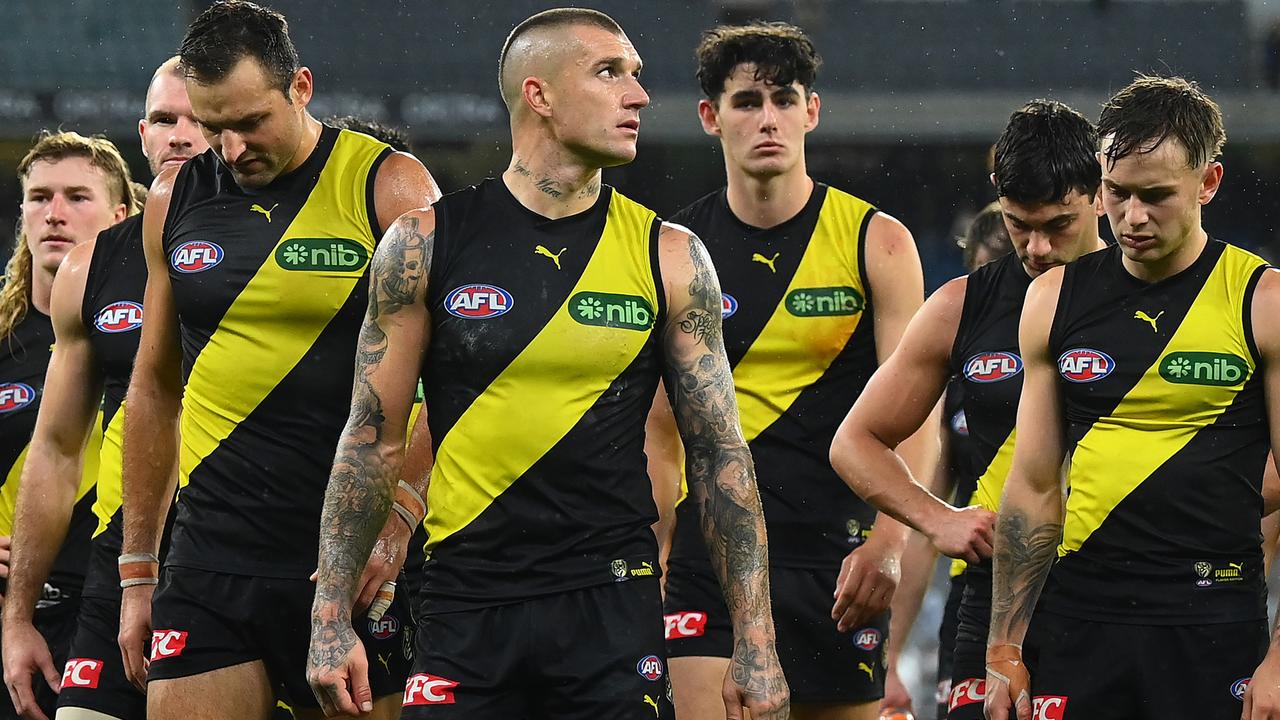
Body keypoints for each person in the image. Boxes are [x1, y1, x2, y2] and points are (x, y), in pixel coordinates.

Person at [306, 8, 789, 720]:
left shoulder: (671, 255)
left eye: (637, 76)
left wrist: (756, 640)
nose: (639, 96)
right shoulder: (424, 244)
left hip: (611, 607)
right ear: (540, 95)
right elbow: (370, 436)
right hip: (464, 601)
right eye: (609, 73)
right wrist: (327, 620)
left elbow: (720, 455)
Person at [115, 3, 439, 719]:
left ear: (301, 87)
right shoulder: (176, 196)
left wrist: (399, 522)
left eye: (250, 122)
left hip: (352, 560)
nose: (231, 149)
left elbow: (457, 385)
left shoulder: (388, 187)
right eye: (213, 126)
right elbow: (153, 386)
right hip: (211, 556)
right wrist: (138, 572)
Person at [651, 21, 932, 720]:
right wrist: (652, 558)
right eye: (747, 102)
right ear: (711, 118)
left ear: (812, 110)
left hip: (838, 564)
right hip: (706, 561)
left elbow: (915, 416)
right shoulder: (672, 251)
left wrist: (889, 540)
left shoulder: (879, 243)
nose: (768, 118)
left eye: (784, 98)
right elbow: (658, 431)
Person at [983, 76, 1280, 720]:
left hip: (1212, 621)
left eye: (1156, 195)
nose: (1132, 216)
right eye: (1116, 193)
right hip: (1079, 616)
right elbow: (1032, 486)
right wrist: (1003, 647)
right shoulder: (1053, 299)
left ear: (1209, 184)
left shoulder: (1264, 302)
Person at [827, 100, 1108, 720]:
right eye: (1017, 224)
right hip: (994, 598)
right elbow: (855, 441)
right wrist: (938, 518)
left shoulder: (1156, 296)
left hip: (1128, 597)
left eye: (1057, 225)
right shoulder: (961, 307)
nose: (1035, 248)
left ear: (1099, 194)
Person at [1, 58, 206, 720]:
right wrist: (17, 614)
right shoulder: (91, 283)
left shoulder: (284, 254)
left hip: (240, 565)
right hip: (104, 578)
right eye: (166, 120)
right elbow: (55, 451)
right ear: (143, 134)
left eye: (197, 119)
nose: (181, 136)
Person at [0, 132, 139, 720]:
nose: (54, 214)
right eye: (39, 197)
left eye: (78, 197)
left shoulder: (162, 333)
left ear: (122, 214)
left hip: (119, 607)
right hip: (13, 613)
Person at [932, 203, 1014, 720]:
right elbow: (931, 497)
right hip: (976, 588)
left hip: (1080, 581)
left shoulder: (1088, 353)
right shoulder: (958, 368)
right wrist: (891, 658)